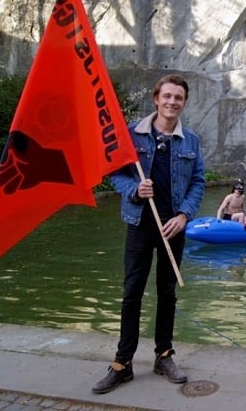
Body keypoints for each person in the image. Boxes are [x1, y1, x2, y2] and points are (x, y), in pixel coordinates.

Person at [92, 74, 206, 394]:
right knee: (132, 292)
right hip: (141, 223)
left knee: (167, 292)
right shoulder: (131, 135)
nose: (172, 102)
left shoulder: (191, 141)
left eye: (178, 98)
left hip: (173, 226)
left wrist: (185, 215)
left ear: (184, 103)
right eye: (167, 96)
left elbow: (198, 181)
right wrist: (134, 190)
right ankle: (122, 362)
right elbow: (115, 172)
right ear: (156, 98)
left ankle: (164, 355)